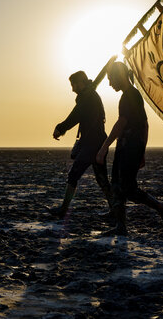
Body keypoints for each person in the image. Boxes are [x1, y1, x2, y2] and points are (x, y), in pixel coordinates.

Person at [96, 62, 163, 235]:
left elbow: (122, 123)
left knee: (127, 188)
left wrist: (103, 147)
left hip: (129, 147)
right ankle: (120, 225)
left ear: (118, 76)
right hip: (128, 147)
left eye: (110, 78)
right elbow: (145, 125)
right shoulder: (131, 95)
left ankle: (160, 208)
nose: (109, 83)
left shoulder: (130, 95)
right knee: (117, 185)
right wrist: (142, 149)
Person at [50, 71, 113, 218]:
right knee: (102, 179)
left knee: (74, 175)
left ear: (81, 83)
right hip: (98, 143)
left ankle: (63, 210)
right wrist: (111, 61)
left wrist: (60, 128)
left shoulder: (86, 98)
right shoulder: (90, 93)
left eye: (73, 85)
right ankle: (115, 210)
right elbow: (100, 76)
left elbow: (74, 116)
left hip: (91, 145)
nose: (72, 89)